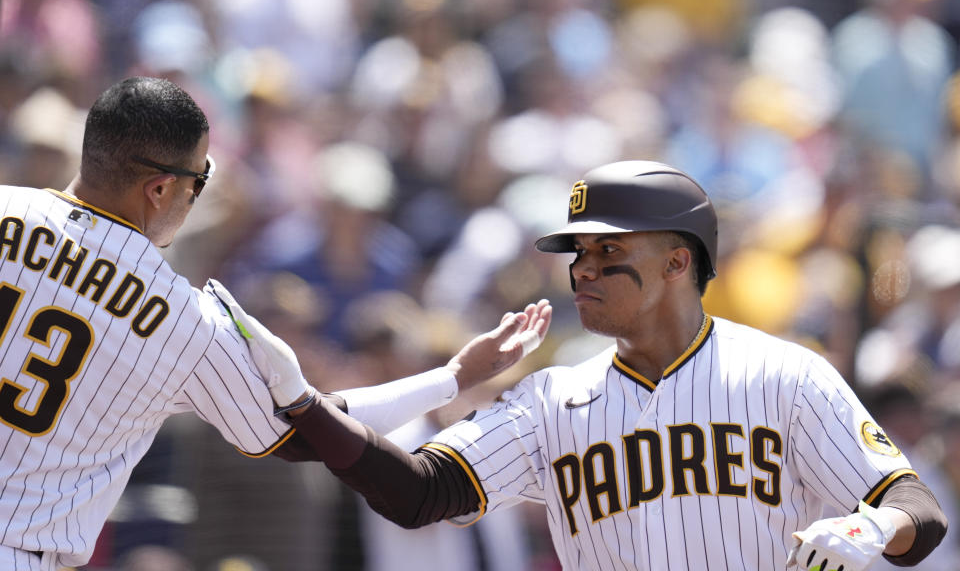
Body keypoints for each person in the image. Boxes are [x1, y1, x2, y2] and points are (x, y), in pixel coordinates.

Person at [234, 160, 947, 570]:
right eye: (579, 253)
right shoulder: (552, 399)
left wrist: (874, 529)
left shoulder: (788, 375)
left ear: (677, 262)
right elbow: (420, 493)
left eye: (609, 252)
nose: (583, 269)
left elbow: (919, 510)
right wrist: (306, 404)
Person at [0, 76, 551, 570]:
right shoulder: (185, 319)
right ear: (161, 188)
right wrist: (451, 378)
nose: (197, 193)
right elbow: (310, 428)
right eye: (200, 178)